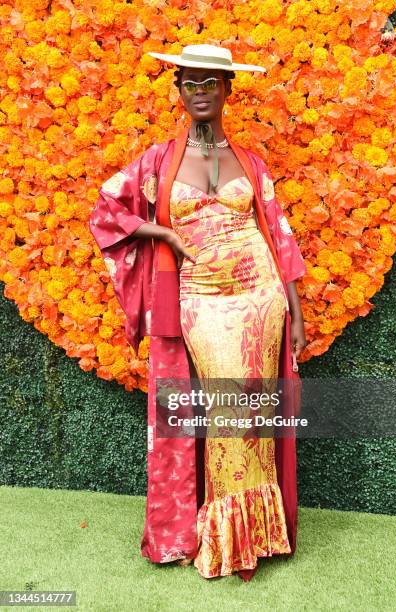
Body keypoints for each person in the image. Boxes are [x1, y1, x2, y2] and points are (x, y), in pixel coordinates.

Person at [89, 44, 307, 582]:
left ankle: (256, 534)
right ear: (179, 91)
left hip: (261, 295)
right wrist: (160, 230)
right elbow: (106, 209)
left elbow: (277, 236)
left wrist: (296, 313)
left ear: (228, 91)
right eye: (192, 82)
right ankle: (226, 538)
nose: (202, 91)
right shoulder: (158, 161)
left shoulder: (251, 164)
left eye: (212, 82)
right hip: (201, 299)